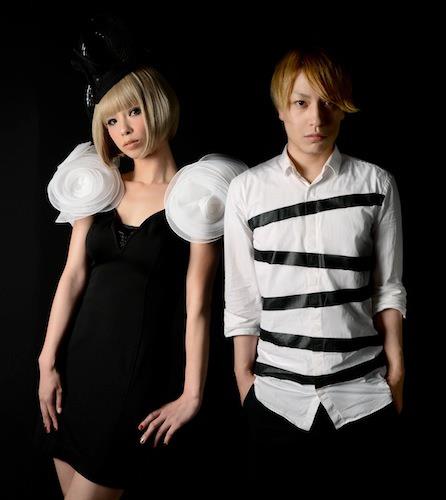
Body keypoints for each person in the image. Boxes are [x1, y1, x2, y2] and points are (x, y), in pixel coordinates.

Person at [36, 16, 243, 498]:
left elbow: (199, 306)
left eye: (132, 112)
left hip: (132, 377)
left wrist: (192, 394)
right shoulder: (98, 185)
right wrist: (46, 363)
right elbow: (72, 276)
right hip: (75, 371)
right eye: (111, 120)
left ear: (157, 105)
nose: (124, 130)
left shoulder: (197, 194)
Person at [223, 47, 407, 471]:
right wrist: (244, 382)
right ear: (281, 109)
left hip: (364, 396)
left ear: (342, 107)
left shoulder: (377, 184)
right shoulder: (247, 190)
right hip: (276, 400)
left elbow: (388, 288)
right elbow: (243, 298)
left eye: (328, 103)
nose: (316, 118)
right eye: (301, 103)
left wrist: (396, 376)